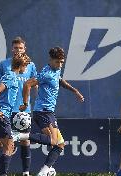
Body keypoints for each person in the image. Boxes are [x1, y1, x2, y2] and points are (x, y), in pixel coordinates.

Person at [18, 46, 84, 176]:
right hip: (44, 112)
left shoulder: (56, 70)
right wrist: (25, 103)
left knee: (59, 145)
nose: (60, 65)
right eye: (57, 62)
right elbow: (27, 84)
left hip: (46, 112)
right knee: (54, 141)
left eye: (62, 62)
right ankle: (19, 136)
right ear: (51, 60)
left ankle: (43, 171)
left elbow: (59, 80)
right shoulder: (46, 74)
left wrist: (75, 91)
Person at [0, 37, 37, 176]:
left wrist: (37, 101)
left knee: (24, 140)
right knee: (2, 142)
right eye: (15, 48)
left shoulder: (30, 65)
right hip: (5, 110)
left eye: (20, 48)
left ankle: (25, 172)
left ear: (24, 49)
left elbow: (35, 84)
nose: (18, 50)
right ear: (11, 49)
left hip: (23, 110)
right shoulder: (4, 65)